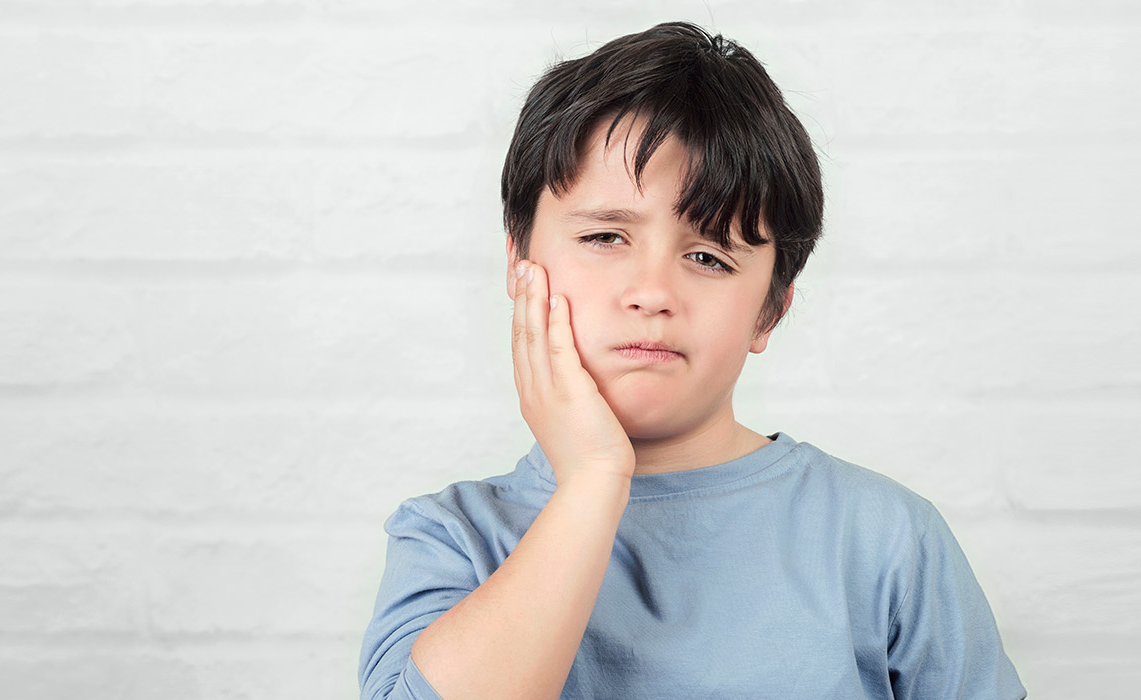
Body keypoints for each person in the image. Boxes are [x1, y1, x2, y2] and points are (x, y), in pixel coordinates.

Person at [359, 21, 1025, 700]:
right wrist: (593, 478)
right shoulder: (453, 538)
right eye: (605, 235)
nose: (652, 293)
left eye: (709, 256)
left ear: (771, 308)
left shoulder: (882, 538)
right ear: (519, 260)